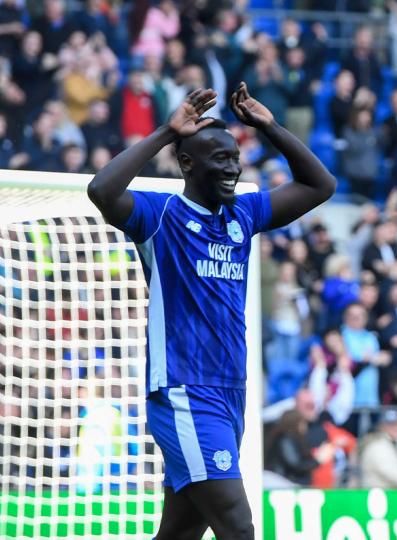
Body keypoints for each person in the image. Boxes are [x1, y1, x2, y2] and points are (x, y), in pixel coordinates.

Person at [86, 83, 336, 539]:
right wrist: (167, 131)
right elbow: (102, 190)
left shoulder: (243, 215)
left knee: (180, 534)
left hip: (229, 392)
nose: (233, 168)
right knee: (238, 528)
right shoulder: (160, 215)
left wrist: (269, 126)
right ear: (187, 164)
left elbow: (321, 185)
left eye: (235, 158)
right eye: (220, 159)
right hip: (184, 390)